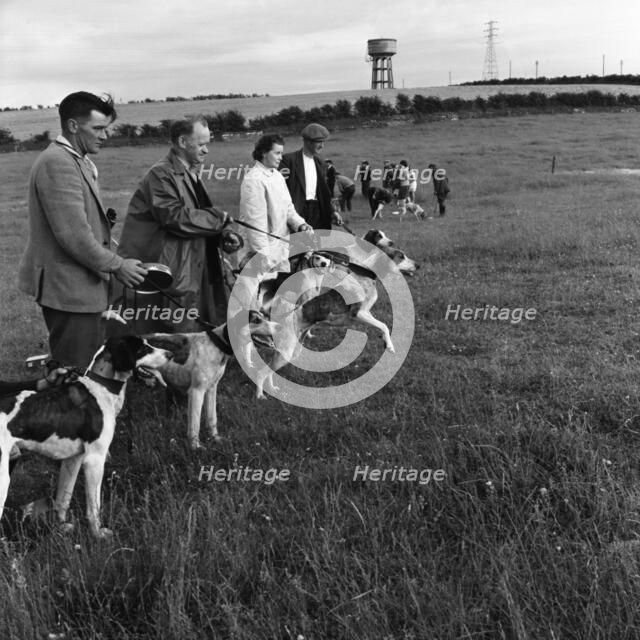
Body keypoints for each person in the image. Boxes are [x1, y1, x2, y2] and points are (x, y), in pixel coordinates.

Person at [17, 91, 147, 369]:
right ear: (73, 126)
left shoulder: (77, 159)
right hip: (68, 287)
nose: (105, 136)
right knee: (74, 370)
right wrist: (118, 265)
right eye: (98, 128)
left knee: (85, 362)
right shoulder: (58, 162)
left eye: (106, 128)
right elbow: (73, 236)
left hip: (80, 282)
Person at [114, 116, 239, 333]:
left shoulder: (189, 173)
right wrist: (219, 219)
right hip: (170, 267)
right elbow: (174, 217)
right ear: (182, 142)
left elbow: (198, 215)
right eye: (201, 144)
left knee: (192, 331)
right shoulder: (161, 174)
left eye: (207, 144)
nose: (206, 150)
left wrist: (222, 235)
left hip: (191, 264)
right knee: (169, 336)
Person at [279, 123, 340, 229]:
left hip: (316, 212)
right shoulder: (288, 161)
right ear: (307, 141)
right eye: (318, 142)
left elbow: (323, 193)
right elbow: (280, 192)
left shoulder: (321, 164)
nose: (322, 146)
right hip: (296, 211)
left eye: (323, 142)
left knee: (317, 244)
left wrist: (332, 212)